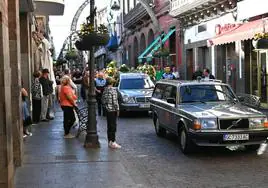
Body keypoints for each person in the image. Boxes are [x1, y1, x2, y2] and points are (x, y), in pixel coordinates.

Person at [102, 77, 121, 149]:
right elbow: (115, 102)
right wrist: (118, 110)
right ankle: (113, 141)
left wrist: (106, 106)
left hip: (107, 110)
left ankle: (109, 141)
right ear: (112, 83)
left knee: (109, 126)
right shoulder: (113, 90)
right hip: (113, 110)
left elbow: (103, 100)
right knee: (113, 126)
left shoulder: (105, 89)